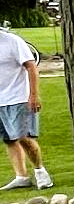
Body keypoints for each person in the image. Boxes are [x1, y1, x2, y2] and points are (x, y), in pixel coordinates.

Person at [0, 25, 52, 192]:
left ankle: (40, 172)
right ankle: (21, 177)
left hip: (18, 97)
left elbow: (31, 66)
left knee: (24, 137)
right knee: (9, 139)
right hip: (1, 100)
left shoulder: (12, 41)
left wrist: (33, 95)